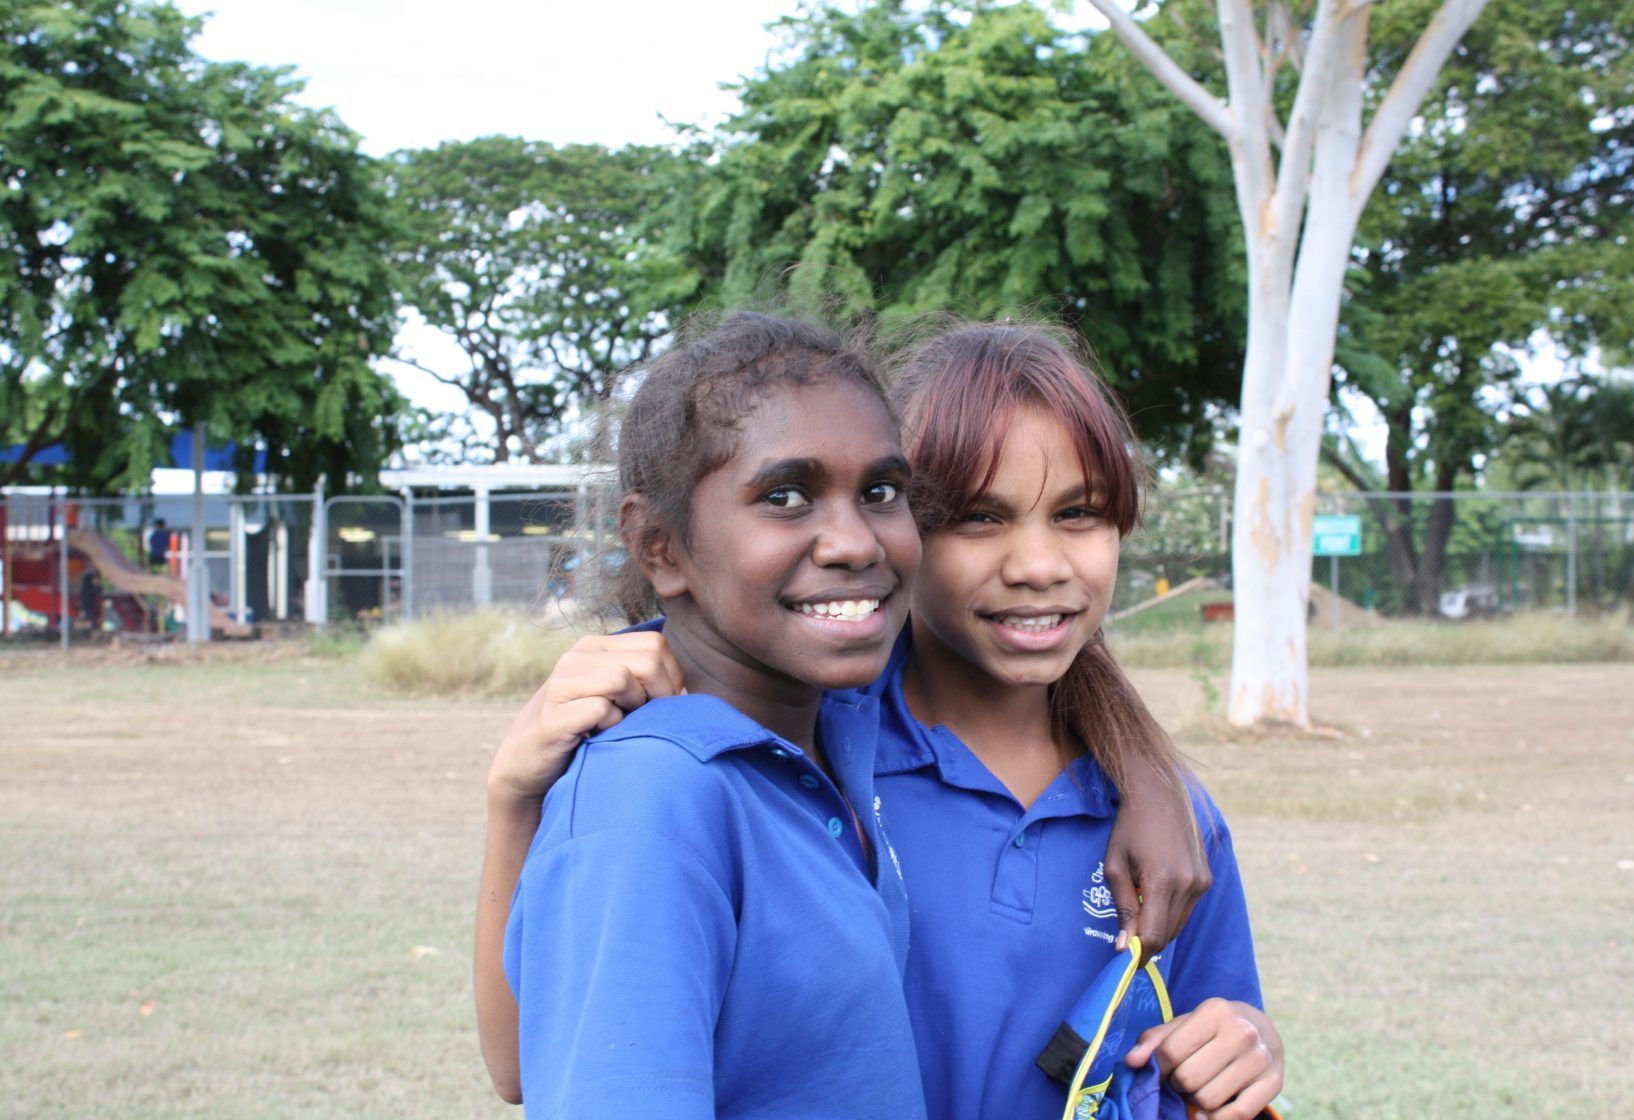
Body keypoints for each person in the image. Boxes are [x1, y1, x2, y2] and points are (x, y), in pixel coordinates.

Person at [480, 321, 1284, 1120]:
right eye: (977, 517)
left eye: (1079, 514)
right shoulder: (803, 765)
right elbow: (538, 1058)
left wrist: (1244, 1040)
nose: (1038, 565)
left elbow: (1202, 1031)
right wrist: (516, 801)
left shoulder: (1173, 822)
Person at [494, 312, 928, 1119]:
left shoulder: (841, 718)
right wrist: (513, 801)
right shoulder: (655, 796)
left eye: (880, 491)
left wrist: (1150, 782)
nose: (854, 542)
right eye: (786, 496)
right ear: (660, 547)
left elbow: (1033, 650)